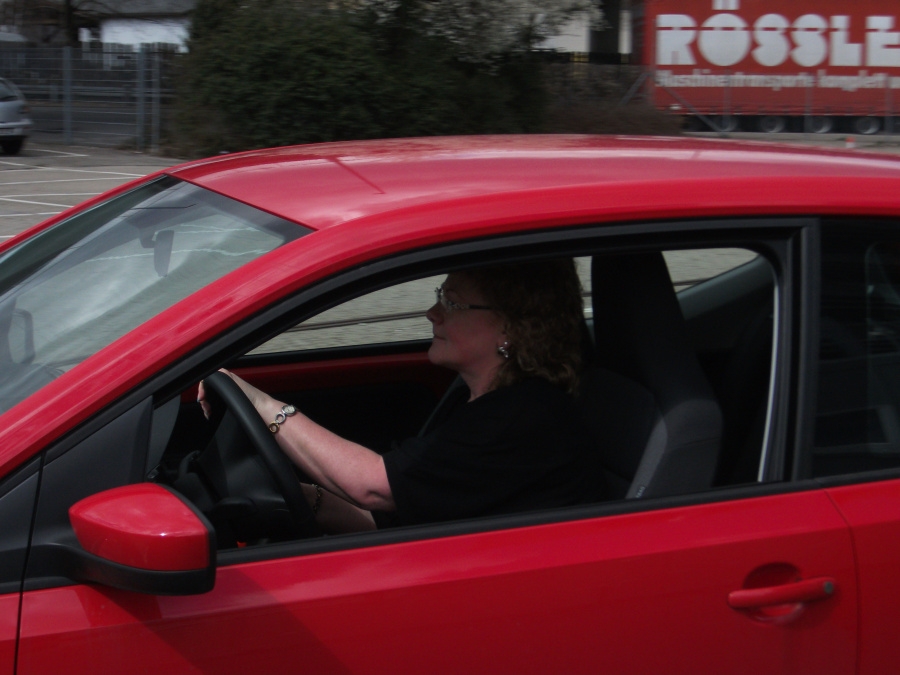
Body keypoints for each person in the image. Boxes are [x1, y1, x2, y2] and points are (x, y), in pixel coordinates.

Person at [199, 258, 600, 533]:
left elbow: (375, 486)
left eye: (452, 302)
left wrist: (261, 404)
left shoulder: (522, 417)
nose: (432, 312)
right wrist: (299, 499)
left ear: (510, 326)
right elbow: (400, 514)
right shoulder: (480, 399)